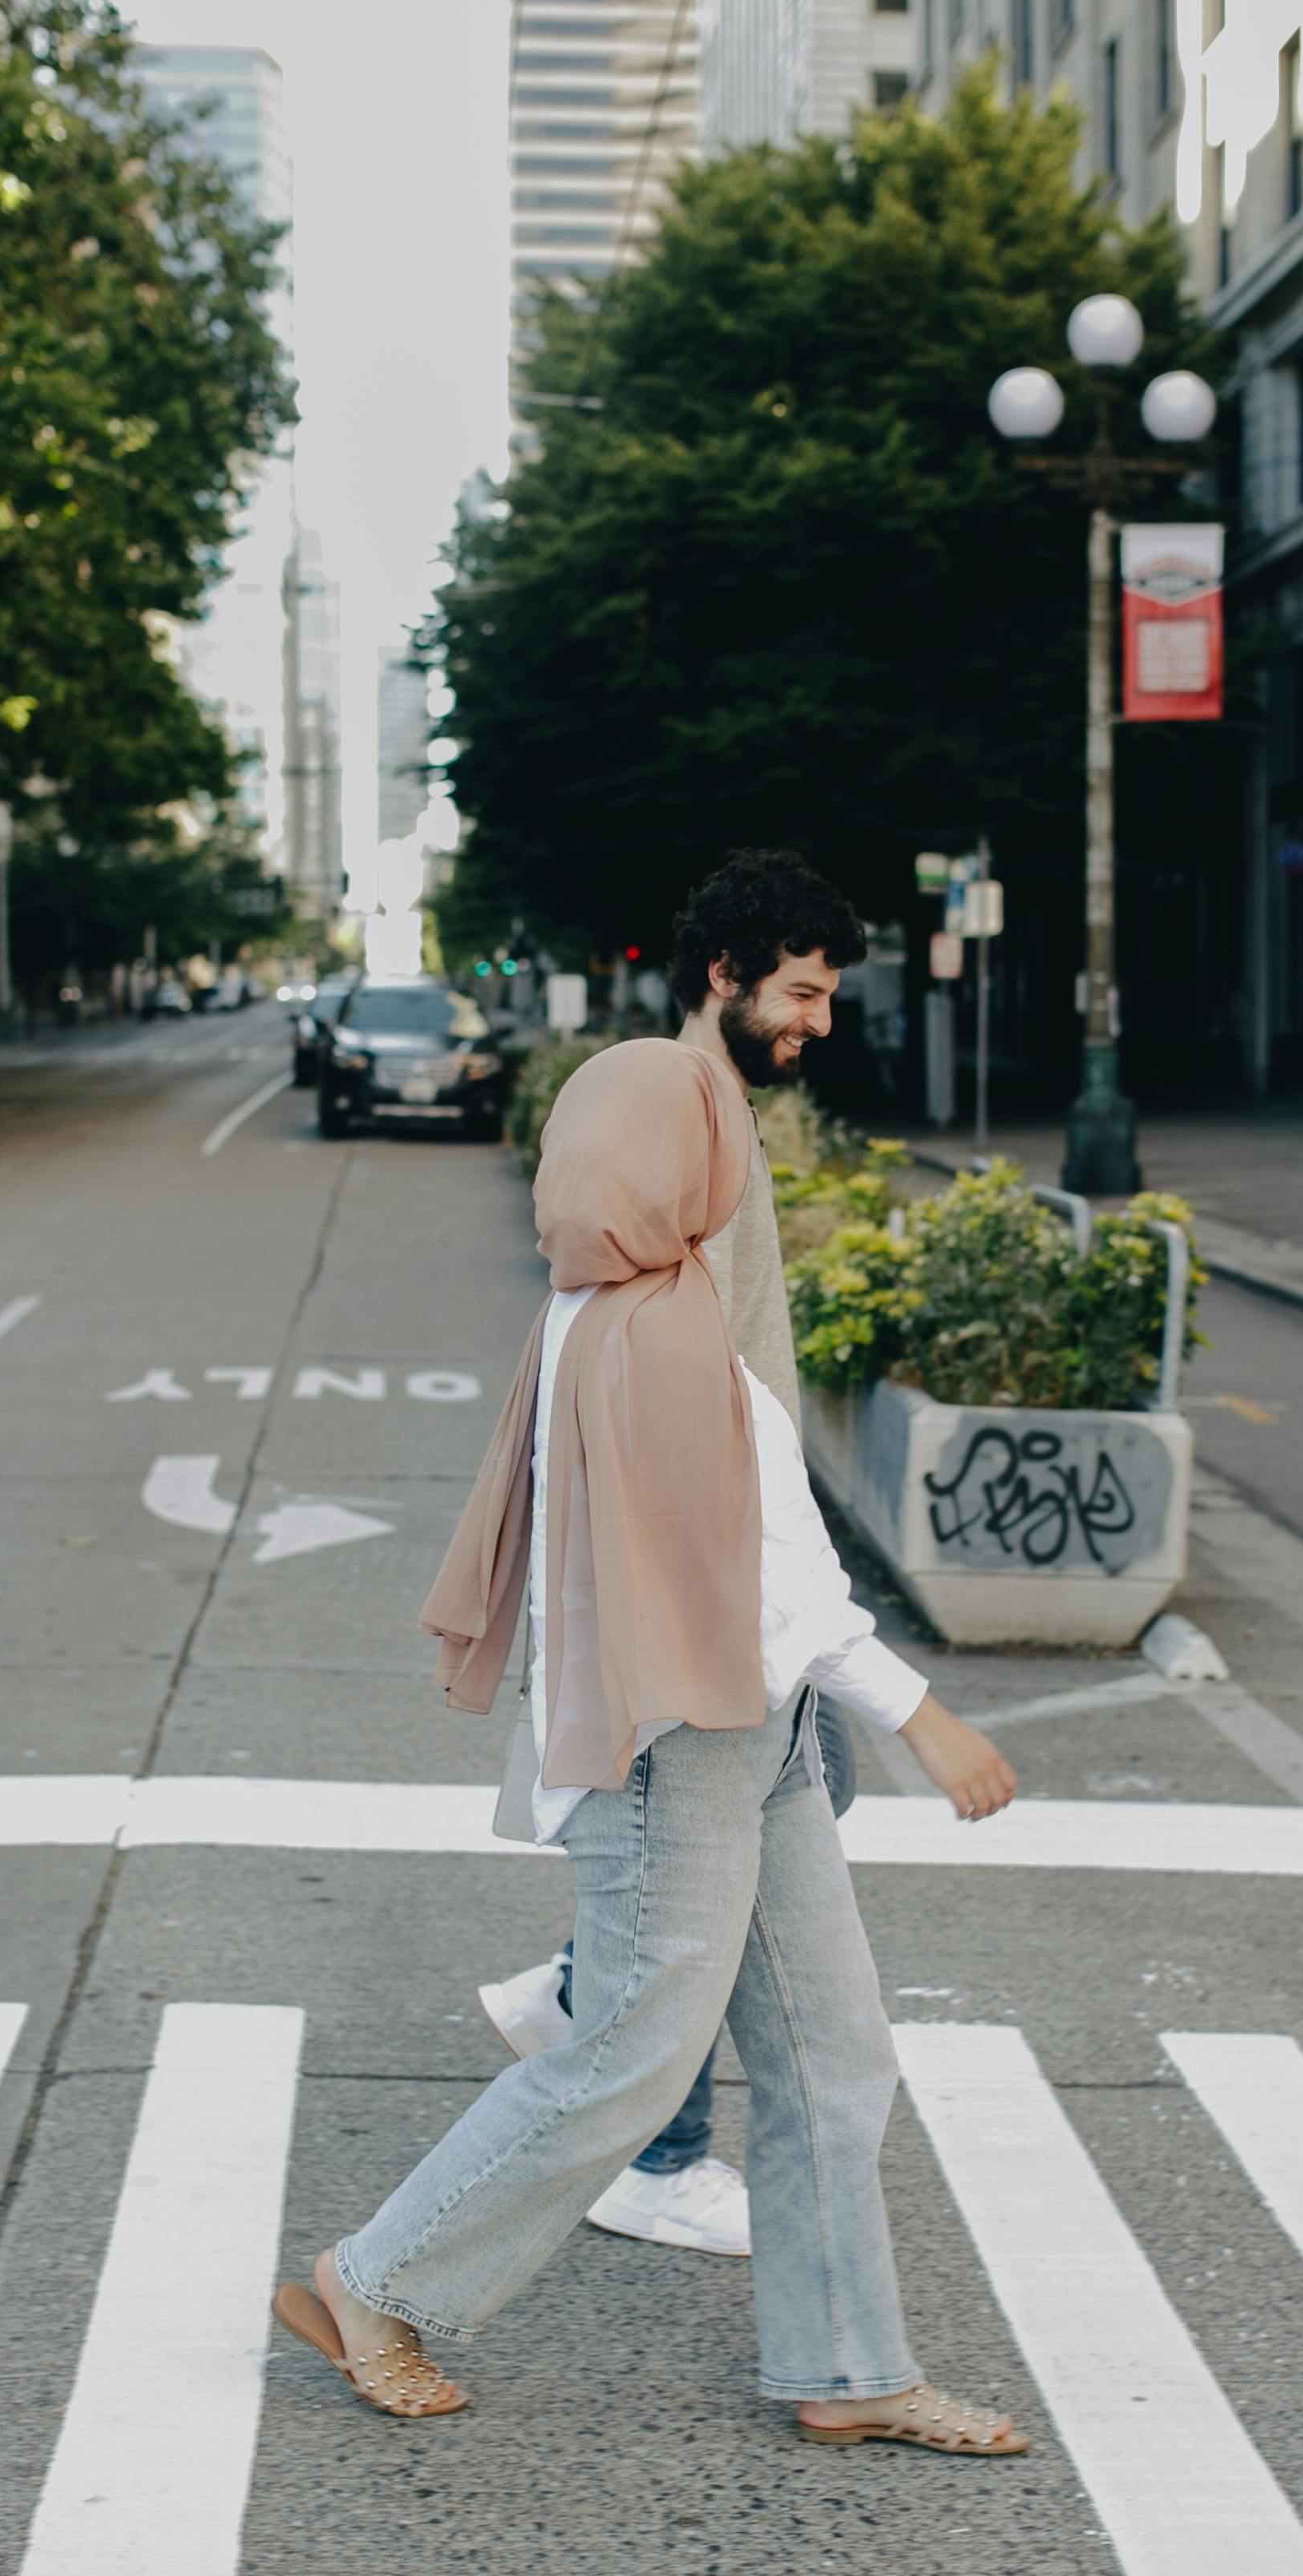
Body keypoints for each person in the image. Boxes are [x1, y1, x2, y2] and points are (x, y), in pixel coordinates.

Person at [273, 1014, 1028, 2453]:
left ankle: (849, 2366)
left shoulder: (586, 1311)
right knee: (626, 2051)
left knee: (828, 2058)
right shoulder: (664, 1337)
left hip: (747, 1738)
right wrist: (928, 1720)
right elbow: (771, 1590)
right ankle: (371, 2282)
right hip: (681, 1743)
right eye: (716, 1146)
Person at [473, 853, 879, 2260]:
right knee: (704, 1864)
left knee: (784, 1807)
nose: (819, 1022)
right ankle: (654, 2145)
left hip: (746, 1521)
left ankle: (583, 1996)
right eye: (803, 994)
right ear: (724, 976)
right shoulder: (671, 1104)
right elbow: (646, 1334)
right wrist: (722, 1558)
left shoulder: (715, 1108)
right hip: (705, 1541)